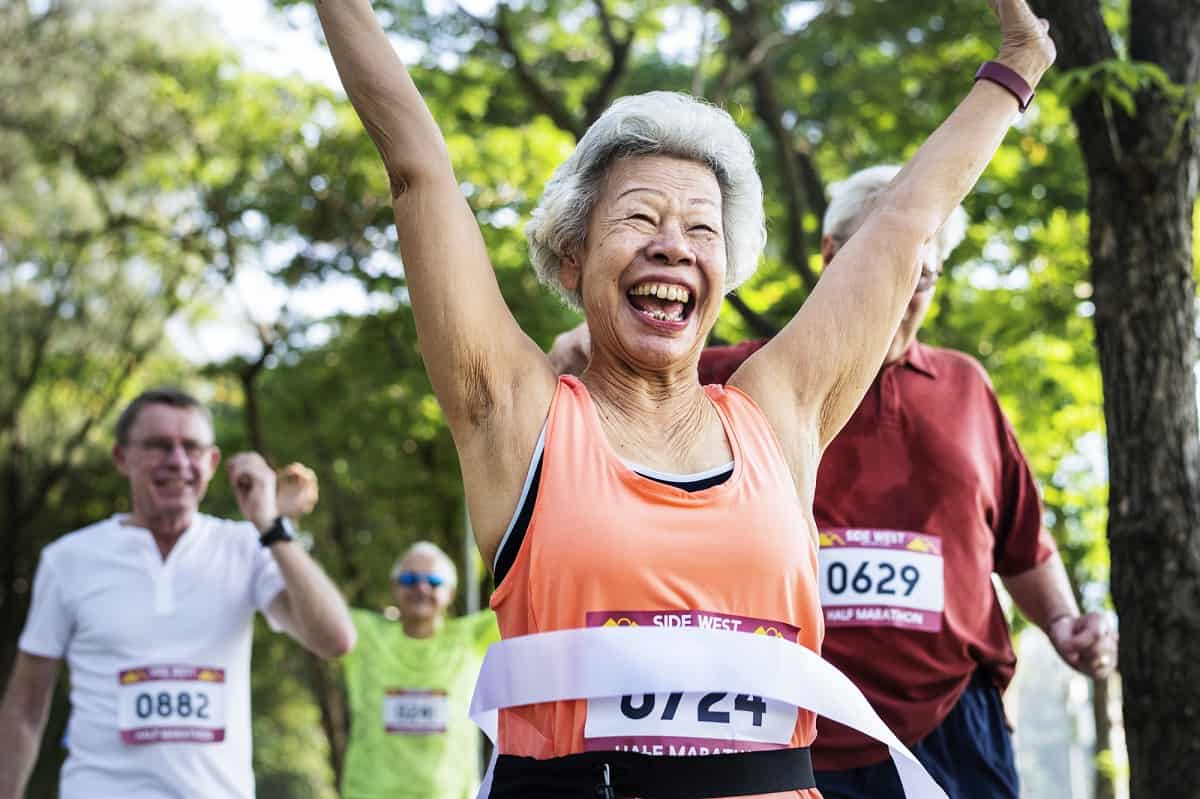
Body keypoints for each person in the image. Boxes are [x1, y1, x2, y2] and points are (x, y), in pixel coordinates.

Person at [313, 0, 1056, 795]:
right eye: (639, 217)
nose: (674, 243)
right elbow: (418, 169)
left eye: (703, 229)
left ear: (725, 272)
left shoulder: (778, 415)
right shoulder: (517, 418)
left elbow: (905, 222)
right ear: (572, 258)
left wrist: (1016, 66)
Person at [550, 164, 1118, 798]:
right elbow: (606, 374)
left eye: (918, 273)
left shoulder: (966, 387)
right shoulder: (740, 379)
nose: (896, 289)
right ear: (832, 258)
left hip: (953, 724)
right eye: (876, 262)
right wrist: (595, 337)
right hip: (790, 722)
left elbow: (1023, 543)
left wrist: (1066, 622)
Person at [0, 388, 356, 799]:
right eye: (157, 445)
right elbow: (25, 707)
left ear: (212, 462)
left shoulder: (247, 547)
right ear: (121, 457)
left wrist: (270, 524)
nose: (177, 461)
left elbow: (335, 639)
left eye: (192, 447)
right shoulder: (68, 560)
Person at [340, 540, 499, 799]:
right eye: (410, 579)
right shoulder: (361, 633)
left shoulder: (472, 637)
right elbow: (317, 607)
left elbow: (526, 596)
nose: (421, 587)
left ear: (450, 591)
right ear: (394, 587)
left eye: (434, 582)